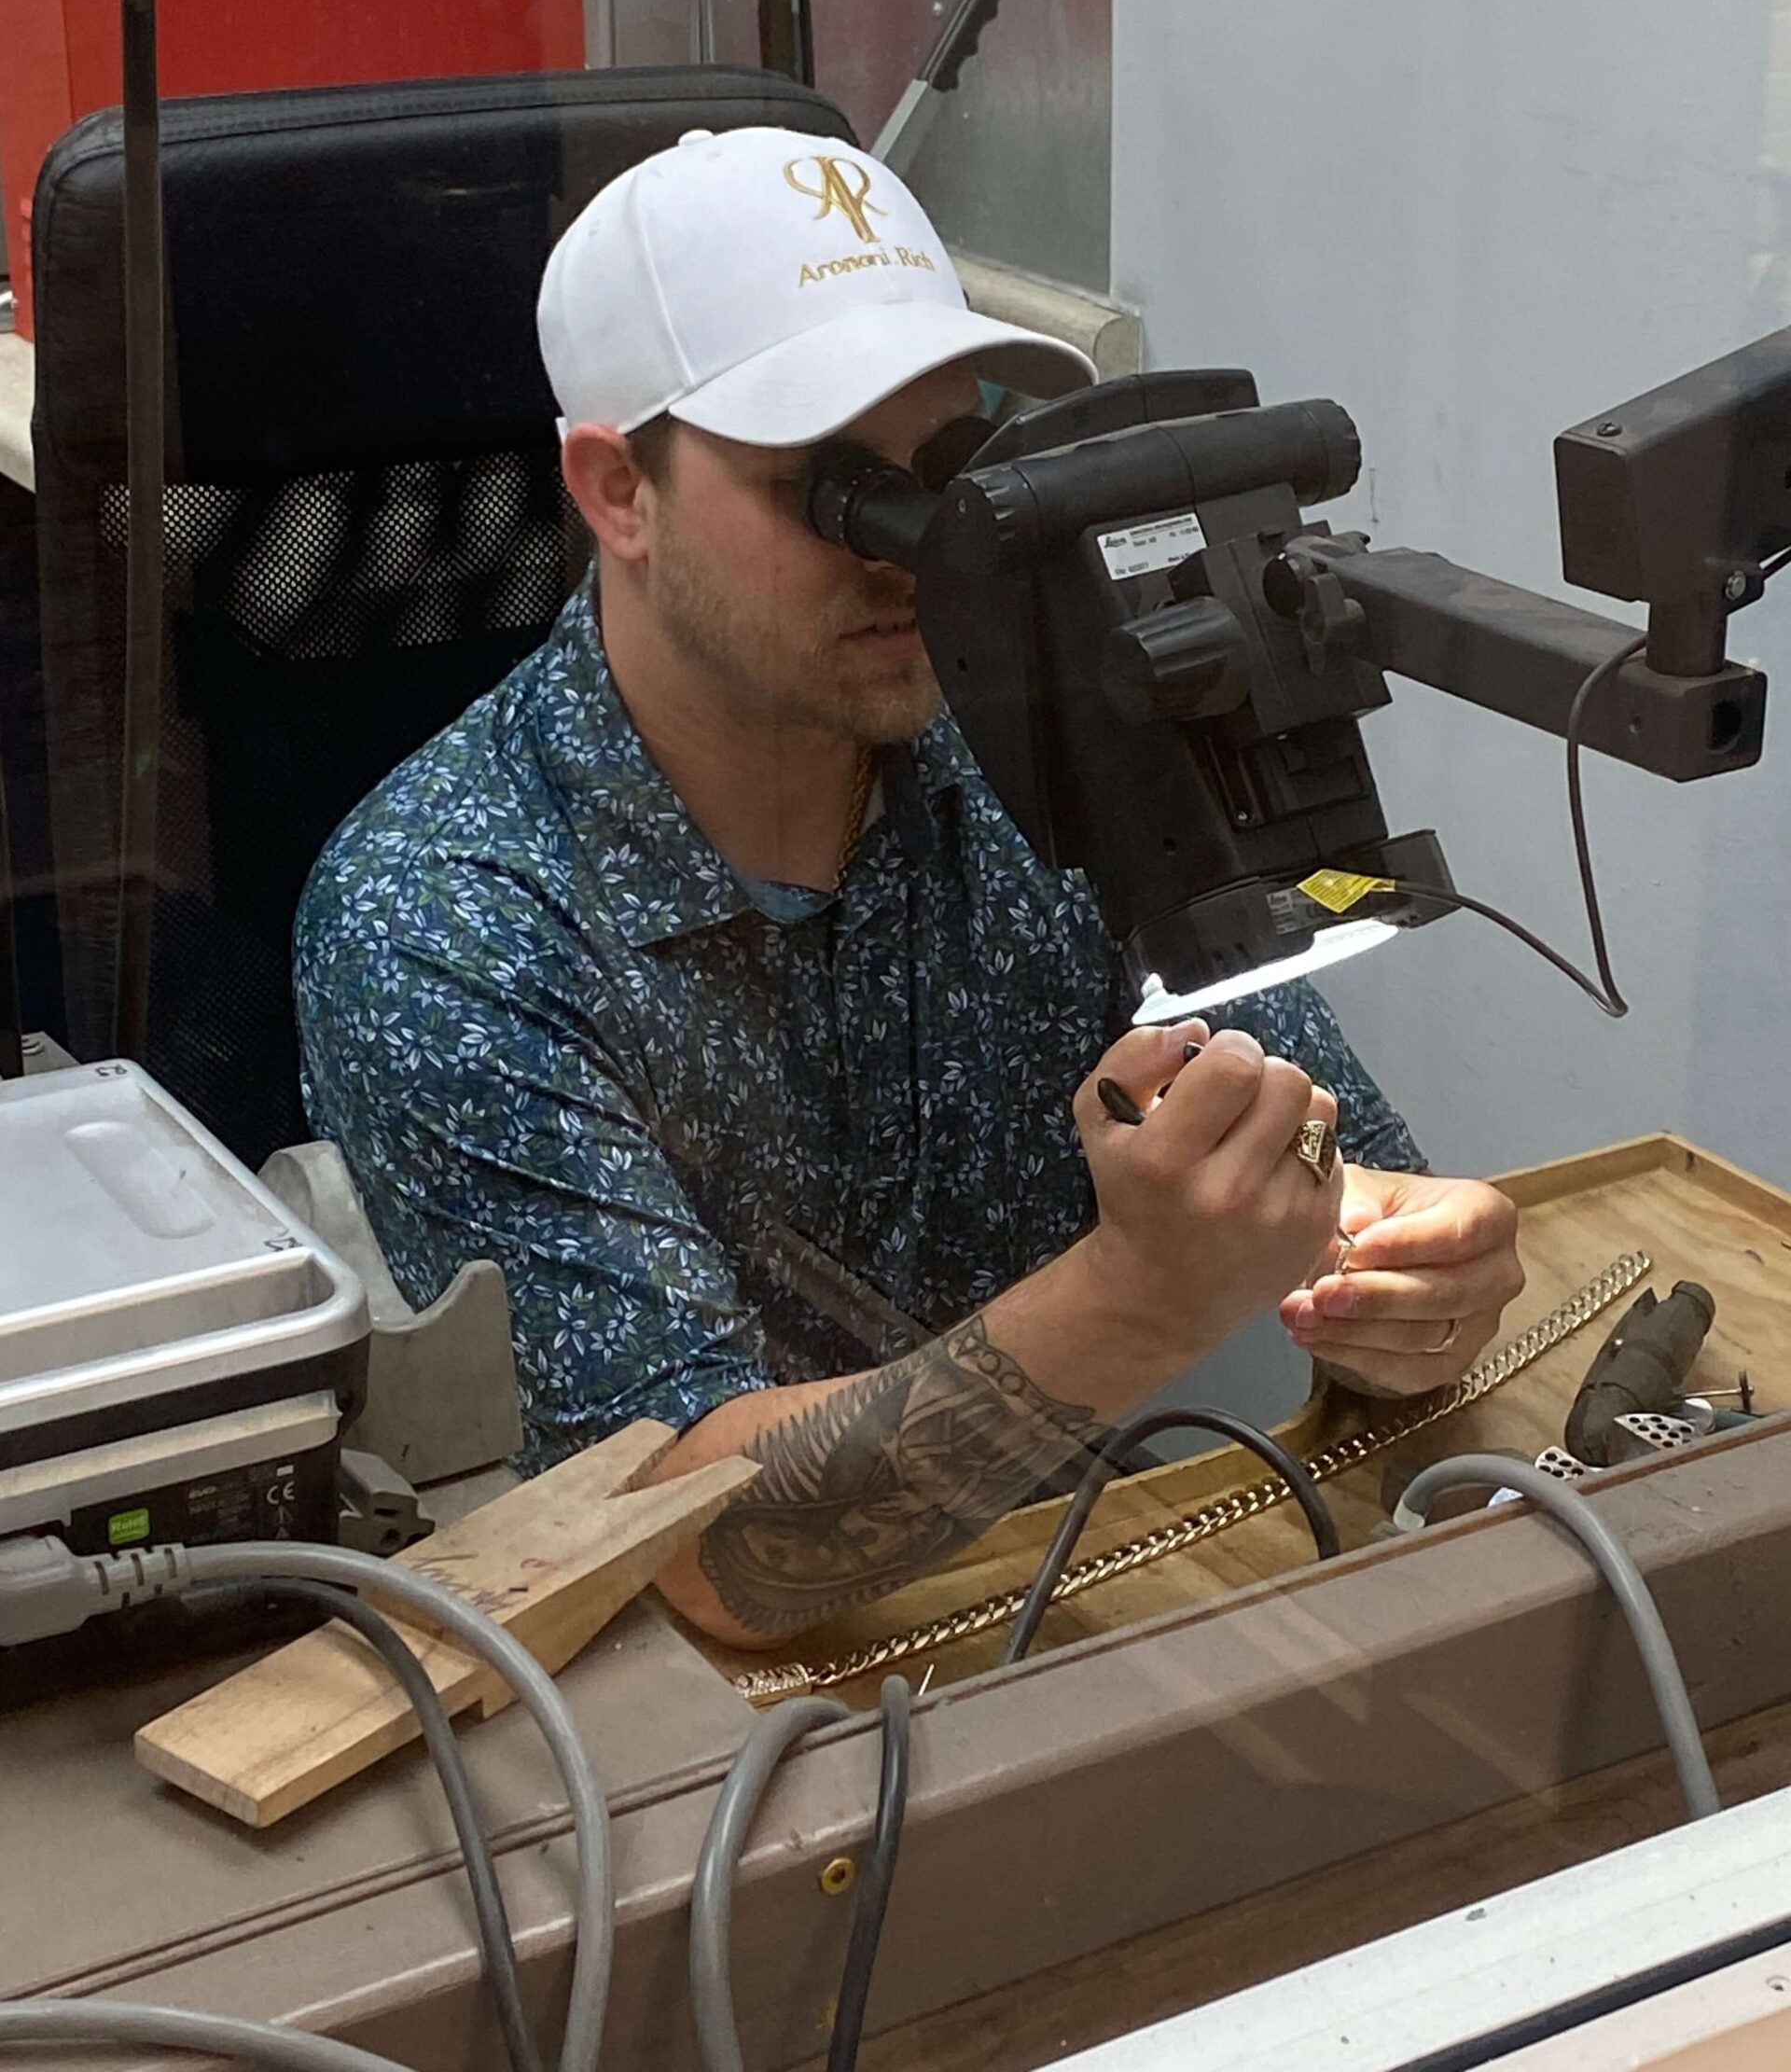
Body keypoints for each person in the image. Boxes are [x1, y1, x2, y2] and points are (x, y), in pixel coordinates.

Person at [295, 127, 1521, 1648]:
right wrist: (1150, 1291)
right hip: (692, 1742)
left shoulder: (1035, 762)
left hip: (1075, 1606)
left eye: (952, 476)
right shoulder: (444, 917)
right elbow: (691, 1549)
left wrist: (1401, 1275)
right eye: (833, 495)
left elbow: (1337, 1168)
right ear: (619, 491)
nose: (917, 563)